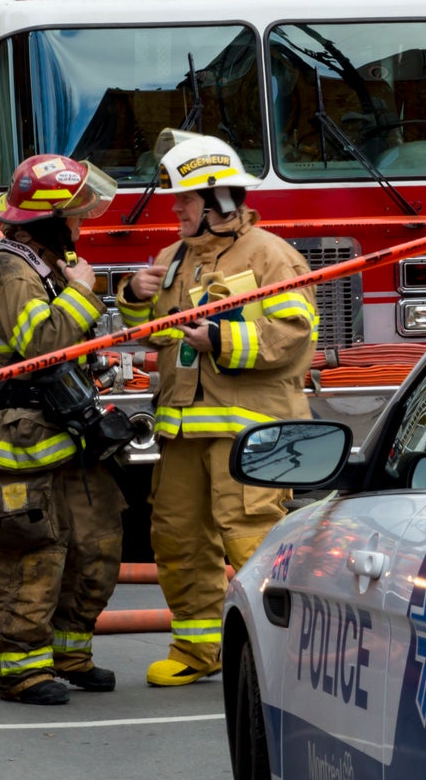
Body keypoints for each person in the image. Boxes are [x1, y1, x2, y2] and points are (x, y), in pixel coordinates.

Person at [117, 133, 318, 687]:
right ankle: (197, 648)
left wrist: (222, 340)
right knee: (177, 537)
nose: (176, 210)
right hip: (183, 431)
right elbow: (153, 335)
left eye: (185, 199)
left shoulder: (270, 255)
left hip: (250, 433)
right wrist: (134, 295)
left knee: (251, 538)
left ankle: (286, 658)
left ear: (218, 200)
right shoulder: (172, 258)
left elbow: (294, 334)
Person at [0, 154, 125, 706]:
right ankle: (21, 670)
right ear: (48, 220)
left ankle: (68, 653)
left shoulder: (45, 265)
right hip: (22, 440)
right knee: (31, 554)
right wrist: (82, 293)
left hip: (67, 433)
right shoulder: (7, 270)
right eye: (75, 215)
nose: (82, 224)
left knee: (95, 544)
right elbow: (40, 345)